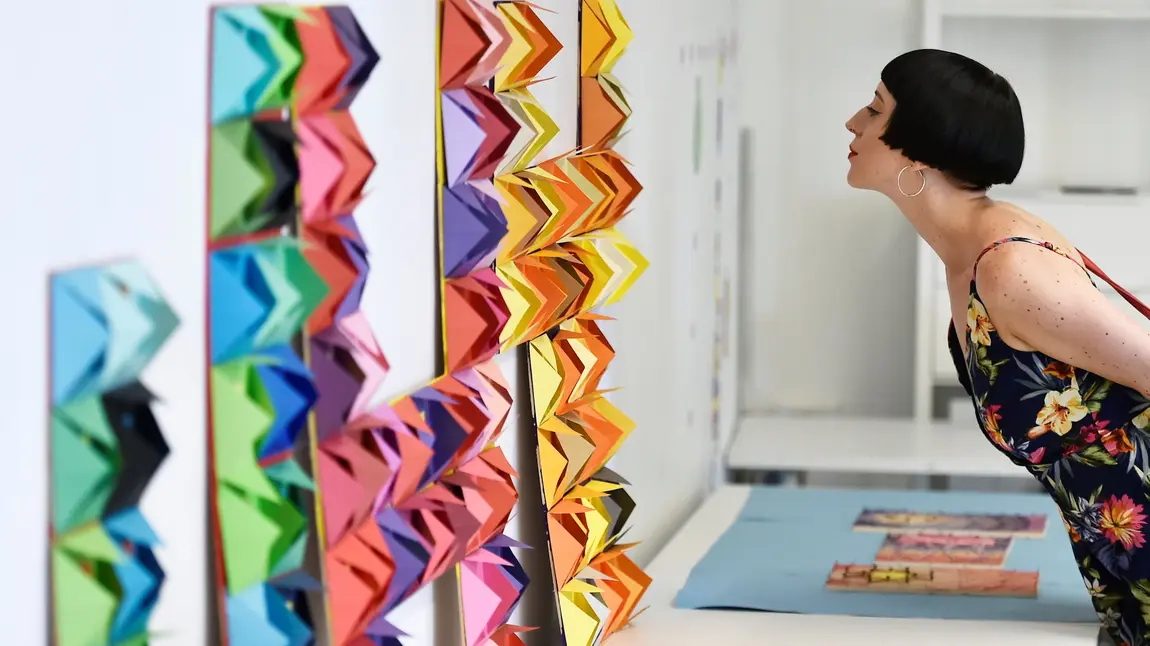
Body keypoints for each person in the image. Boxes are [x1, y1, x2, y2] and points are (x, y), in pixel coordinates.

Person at [844, 48, 1150, 645]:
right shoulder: (977, 252)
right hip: (1121, 562)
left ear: (923, 147)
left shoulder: (1008, 268)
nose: (853, 123)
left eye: (875, 110)